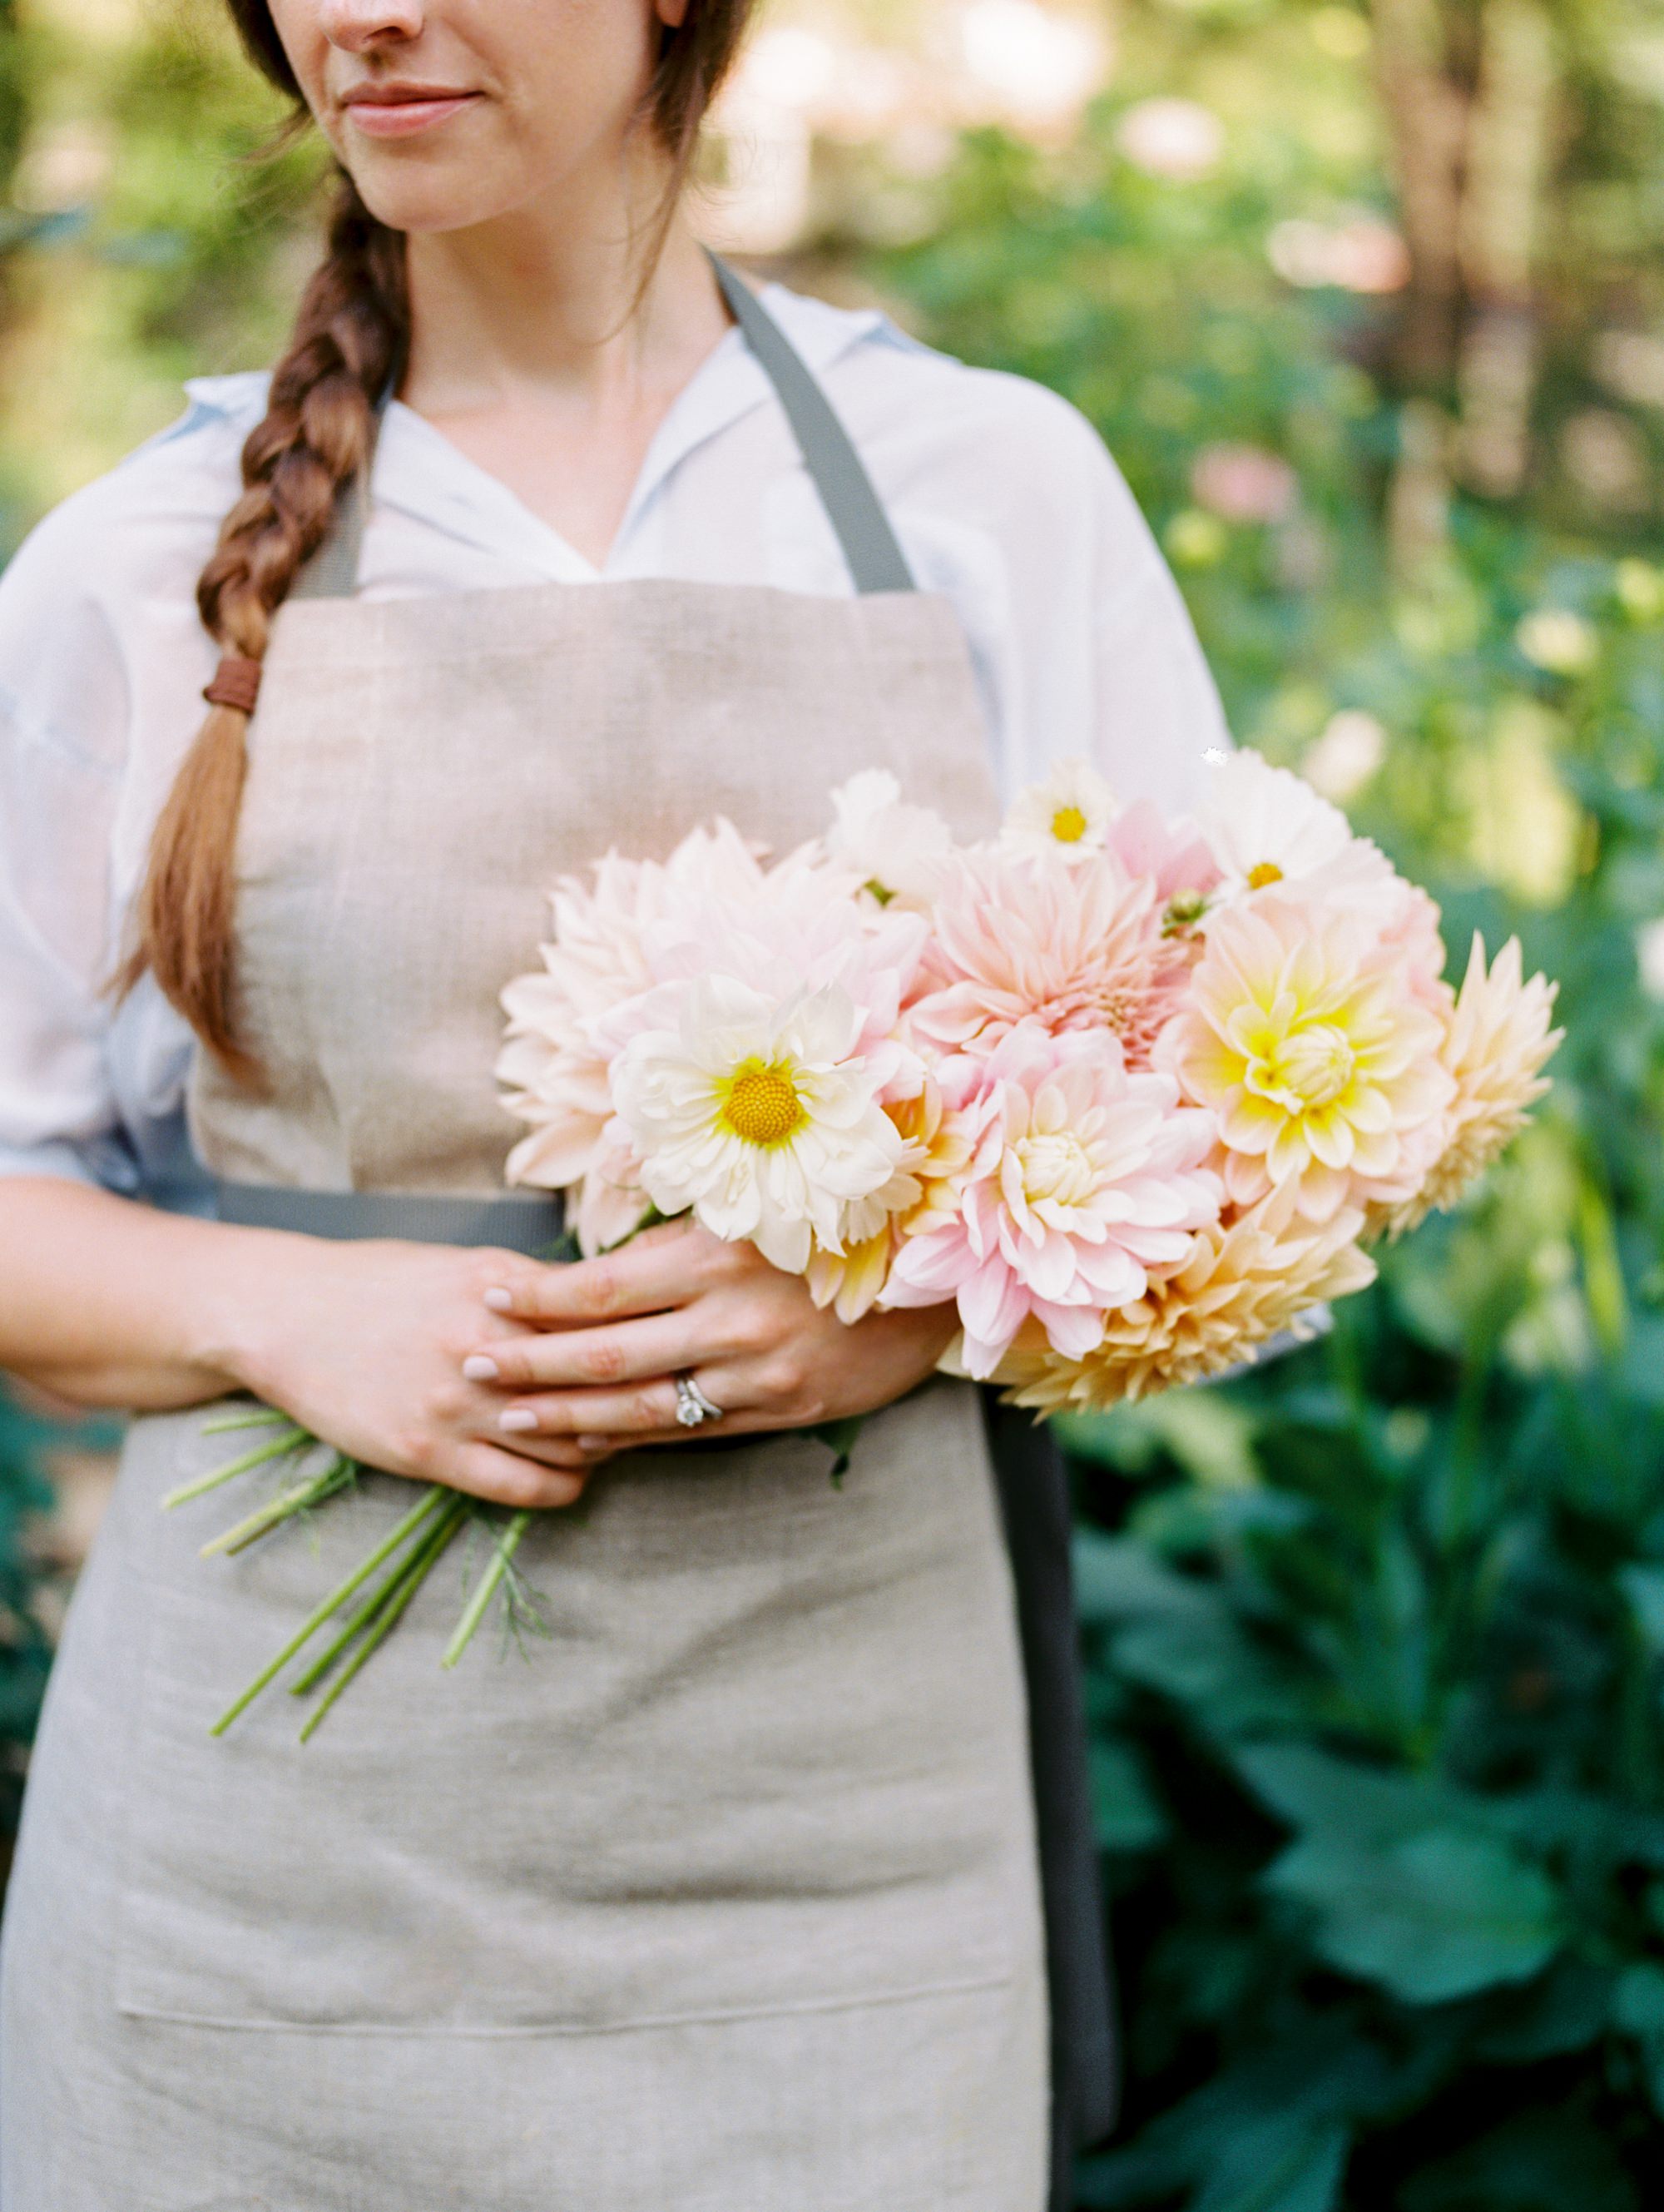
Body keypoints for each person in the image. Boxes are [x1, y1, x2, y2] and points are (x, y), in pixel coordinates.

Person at [0, 2, 1229, 2205]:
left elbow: (1223, 1126)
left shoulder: (980, 493)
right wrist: (289, 1313)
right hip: (261, 1912)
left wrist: (915, 1303)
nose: (355, 9)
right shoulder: (136, 553)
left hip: (842, 1907)